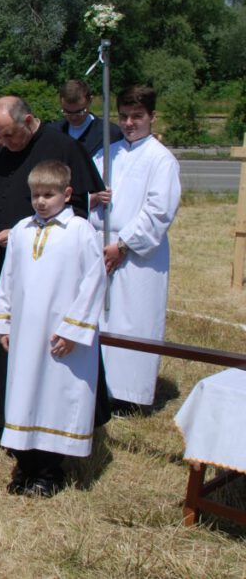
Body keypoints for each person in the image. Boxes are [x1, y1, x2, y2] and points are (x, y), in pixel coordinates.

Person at [0, 96, 104, 431]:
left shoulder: (61, 148)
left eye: (9, 135)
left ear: (29, 121)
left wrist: (26, 233)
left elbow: (77, 208)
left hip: (46, 273)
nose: (4, 143)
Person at [0, 160, 106, 497]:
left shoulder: (80, 231)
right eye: (35, 195)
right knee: (25, 394)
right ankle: (25, 465)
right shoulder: (22, 230)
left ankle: (49, 470)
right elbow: (8, 278)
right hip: (26, 332)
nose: (41, 202)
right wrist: (3, 322)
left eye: (49, 195)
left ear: (67, 194)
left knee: (56, 396)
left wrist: (73, 330)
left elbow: (94, 281)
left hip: (61, 335)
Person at [90, 85, 180, 412]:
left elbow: (159, 211)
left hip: (138, 253)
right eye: (124, 116)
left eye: (137, 116)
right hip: (101, 247)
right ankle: (100, 388)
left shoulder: (161, 159)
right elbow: (84, 194)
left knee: (134, 318)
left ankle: (130, 394)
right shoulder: (105, 154)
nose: (129, 123)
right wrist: (93, 200)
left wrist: (124, 245)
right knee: (101, 317)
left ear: (152, 117)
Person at [54, 79, 121, 156]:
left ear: (90, 101)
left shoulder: (110, 134)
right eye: (67, 112)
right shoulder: (52, 132)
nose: (73, 117)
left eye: (79, 112)